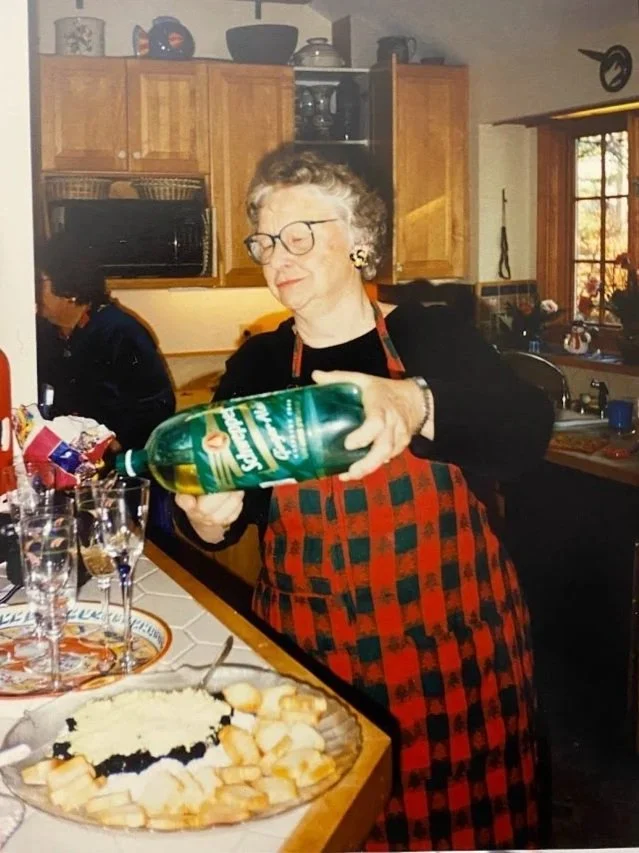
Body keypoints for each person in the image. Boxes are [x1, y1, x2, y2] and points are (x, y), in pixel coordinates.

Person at [174, 147, 554, 850]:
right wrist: (207, 516)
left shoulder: (428, 332)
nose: (276, 256)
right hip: (316, 651)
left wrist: (416, 400)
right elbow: (226, 507)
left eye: (299, 235)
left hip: (456, 651)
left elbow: (522, 436)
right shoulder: (259, 364)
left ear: (358, 239)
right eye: (264, 240)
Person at [35, 232, 175, 452]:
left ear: (68, 287)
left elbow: (157, 407)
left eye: (39, 282)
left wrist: (112, 447)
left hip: (121, 469)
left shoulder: (120, 332)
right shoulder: (43, 333)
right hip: (66, 462)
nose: (32, 291)